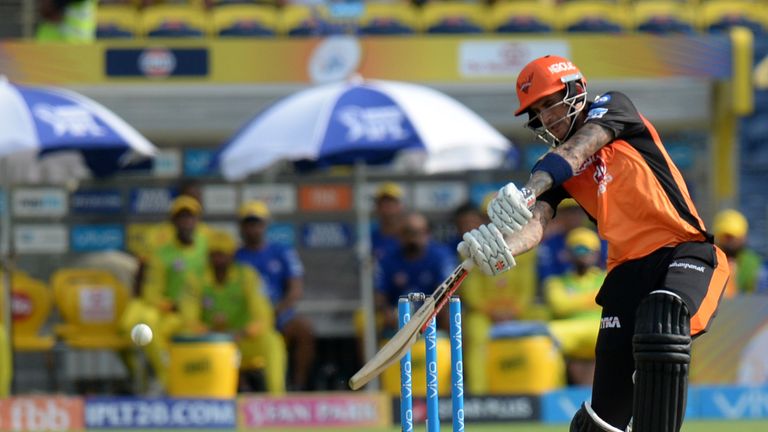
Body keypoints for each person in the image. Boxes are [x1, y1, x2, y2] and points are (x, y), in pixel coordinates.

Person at [458, 55, 730, 432]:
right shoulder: (554, 169)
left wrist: (529, 188)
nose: (548, 117)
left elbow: (575, 152)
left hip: (683, 252)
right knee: (602, 420)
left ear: (575, 90)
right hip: (624, 276)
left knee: (661, 323)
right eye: (538, 111)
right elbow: (536, 224)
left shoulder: (613, 108)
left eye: (550, 102)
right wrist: (497, 247)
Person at [181, 231, 286, 394]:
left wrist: (244, 332)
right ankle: (188, 395)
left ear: (231, 256)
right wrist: (210, 334)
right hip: (209, 343)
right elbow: (188, 318)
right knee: (184, 336)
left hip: (241, 340)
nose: (218, 260)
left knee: (272, 341)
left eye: (222, 255)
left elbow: (264, 316)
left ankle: (277, 398)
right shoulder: (195, 278)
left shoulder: (247, 275)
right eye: (214, 255)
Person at [235, 200, 315, 392]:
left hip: (279, 312)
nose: (253, 229)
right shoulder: (236, 257)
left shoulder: (281, 251)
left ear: (265, 225)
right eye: (248, 224)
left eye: (257, 223)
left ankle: (298, 385)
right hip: (248, 317)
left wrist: (276, 311)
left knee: (304, 330)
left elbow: (296, 289)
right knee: (229, 337)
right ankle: (243, 389)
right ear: (241, 227)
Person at [375, 212, 456, 335]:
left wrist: (426, 317)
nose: (413, 237)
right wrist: (387, 312)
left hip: (432, 317)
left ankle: (453, 351)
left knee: (452, 312)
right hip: (396, 318)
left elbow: (445, 293)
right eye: (408, 232)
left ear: (428, 233)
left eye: (419, 232)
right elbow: (379, 295)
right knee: (365, 318)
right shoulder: (387, 258)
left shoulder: (441, 256)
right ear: (400, 234)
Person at [545, 228, 605, 386]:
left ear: (597, 253)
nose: (583, 254)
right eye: (578, 249)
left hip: (600, 330)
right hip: (569, 333)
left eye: (587, 249)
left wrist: (575, 301)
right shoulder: (556, 282)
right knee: (545, 337)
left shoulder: (607, 278)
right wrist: (594, 299)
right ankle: (554, 393)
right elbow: (559, 305)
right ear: (568, 254)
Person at [712, 209, 768, 297]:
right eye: (724, 237)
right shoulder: (708, 262)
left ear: (743, 237)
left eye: (731, 237)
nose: (728, 242)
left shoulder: (756, 267)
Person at [370, 182, 406, 261]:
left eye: (391, 202)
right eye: (382, 203)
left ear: (401, 206)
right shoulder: (370, 239)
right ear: (376, 208)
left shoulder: (412, 237)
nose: (387, 208)